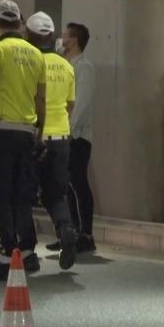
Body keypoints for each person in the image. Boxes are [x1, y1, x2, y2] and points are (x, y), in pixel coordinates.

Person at [0, 0, 47, 281]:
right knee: (22, 194)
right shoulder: (35, 54)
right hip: (26, 132)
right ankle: (28, 253)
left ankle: (2, 257)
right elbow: (41, 98)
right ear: (19, 23)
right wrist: (40, 128)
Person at [25, 12, 79, 270]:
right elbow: (70, 104)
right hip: (61, 136)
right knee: (56, 194)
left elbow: (30, 100)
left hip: (36, 136)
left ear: (30, 35)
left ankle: (27, 250)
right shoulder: (67, 65)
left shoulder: (30, 62)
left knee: (23, 194)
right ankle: (65, 229)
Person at [60, 22, 97, 253]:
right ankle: (71, 232)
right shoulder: (64, 65)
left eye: (65, 35)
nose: (61, 38)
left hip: (78, 136)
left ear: (74, 40)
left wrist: (70, 131)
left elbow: (82, 103)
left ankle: (86, 233)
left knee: (78, 183)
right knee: (66, 184)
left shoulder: (84, 68)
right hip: (62, 133)